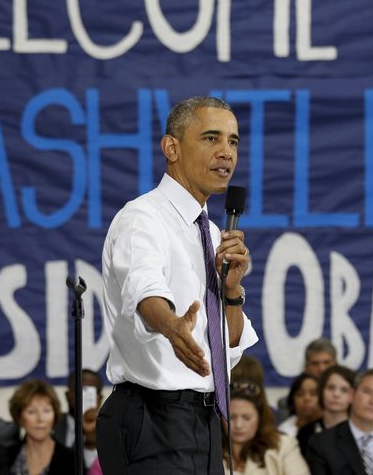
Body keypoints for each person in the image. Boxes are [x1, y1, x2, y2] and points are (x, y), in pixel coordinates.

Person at [97, 96, 259, 474]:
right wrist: (171, 326)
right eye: (210, 138)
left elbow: (227, 349)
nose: (226, 153)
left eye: (233, 141)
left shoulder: (214, 234)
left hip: (201, 423)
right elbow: (144, 292)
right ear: (171, 148)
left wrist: (232, 292)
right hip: (152, 420)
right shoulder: (143, 218)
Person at [224, 379, 310, 475]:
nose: (238, 425)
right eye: (230, 417)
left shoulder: (283, 446)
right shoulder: (208, 448)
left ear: (260, 418)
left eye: (246, 418)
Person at [7, 379, 75, 475]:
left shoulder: (72, 459)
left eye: (46, 411)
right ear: (19, 417)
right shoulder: (6, 457)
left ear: (55, 415)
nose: (40, 419)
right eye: (32, 412)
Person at [296, 365, 356, 456]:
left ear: (353, 395)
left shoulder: (359, 432)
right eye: (331, 388)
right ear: (321, 391)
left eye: (344, 390)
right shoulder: (306, 432)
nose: (336, 394)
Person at [52, 369, 103, 474]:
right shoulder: (50, 423)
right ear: (67, 395)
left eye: (89, 392)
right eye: (79, 391)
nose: (83, 397)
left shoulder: (111, 429)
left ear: (100, 398)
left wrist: (91, 439)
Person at [277, 339, 338, 422]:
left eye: (326, 362)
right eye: (315, 363)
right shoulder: (287, 404)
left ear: (336, 364)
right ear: (306, 367)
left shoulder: (351, 396)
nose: (321, 369)